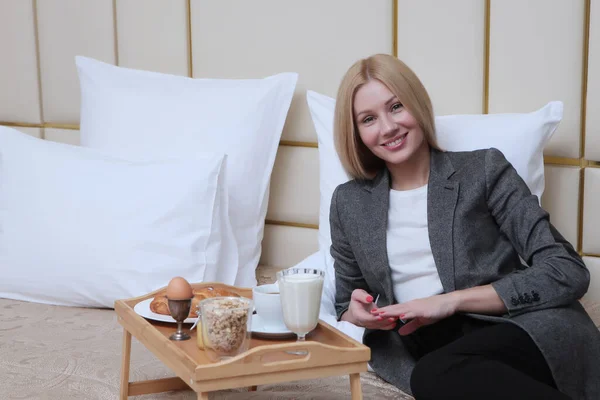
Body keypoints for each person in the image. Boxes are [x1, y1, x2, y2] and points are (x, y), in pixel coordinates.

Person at [329, 53, 600, 400]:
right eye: (368, 119)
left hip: (520, 329)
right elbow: (346, 302)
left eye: (396, 107)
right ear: (356, 132)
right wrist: (358, 311)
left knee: (434, 375)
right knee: (438, 373)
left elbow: (567, 271)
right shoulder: (348, 203)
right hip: (430, 345)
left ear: (417, 103)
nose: (388, 127)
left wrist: (451, 302)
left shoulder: (483, 171)